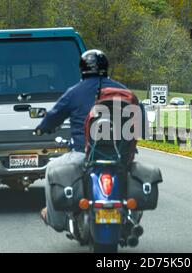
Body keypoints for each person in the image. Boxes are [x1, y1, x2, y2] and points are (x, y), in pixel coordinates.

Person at [35, 49, 127, 232]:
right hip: (120, 155)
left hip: (82, 154)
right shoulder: (123, 91)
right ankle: (130, 216)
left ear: (82, 69)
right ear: (105, 67)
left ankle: (56, 220)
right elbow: (139, 117)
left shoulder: (75, 92)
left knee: (51, 170)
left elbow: (53, 116)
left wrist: (42, 127)